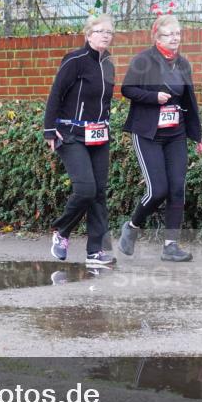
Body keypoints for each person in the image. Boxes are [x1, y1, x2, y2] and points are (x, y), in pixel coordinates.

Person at [118, 13, 202, 262]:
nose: (175, 39)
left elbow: (190, 100)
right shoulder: (143, 60)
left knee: (177, 188)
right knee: (158, 190)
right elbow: (127, 89)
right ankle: (132, 227)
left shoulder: (183, 63)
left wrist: (197, 133)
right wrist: (153, 97)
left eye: (178, 34)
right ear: (157, 36)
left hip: (175, 134)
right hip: (148, 133)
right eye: (169, 34)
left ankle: (171, 245)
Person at [43, 15, 117, 266]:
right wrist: (49, 130)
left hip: (99, 135)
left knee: (98, 193)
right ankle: (62, 232)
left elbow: (104, 102)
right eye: (100, 31)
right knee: (85, 189)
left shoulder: (108, 63)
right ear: (88, 34)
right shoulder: (74, 60)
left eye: (109, 32)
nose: (106, 35)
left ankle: (95, 251)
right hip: (71, 134)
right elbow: (56, 95)